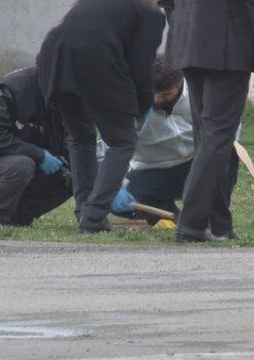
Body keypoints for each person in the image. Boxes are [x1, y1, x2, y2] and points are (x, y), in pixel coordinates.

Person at [36, 0, 166, 233]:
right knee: (123, 141)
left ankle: (86, 211)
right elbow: (141, 68)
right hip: (95, 60)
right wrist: (143, 105)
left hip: (53, 58)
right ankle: (94, 217)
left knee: (81, 137)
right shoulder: (150, 13)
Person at [163, 0, 254, 243]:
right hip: (228, 48)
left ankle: (218, 224)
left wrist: (184, 35)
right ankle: (192, 224)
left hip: (187, 46)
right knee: (217, 138)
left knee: (209, 139)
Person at [99, 55, 241, 225]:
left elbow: (225, 130)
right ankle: (170, 215)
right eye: (154, 94)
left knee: (227, 153)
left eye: (166, 94)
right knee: (111, 197)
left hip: (198, 163)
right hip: (153, 171)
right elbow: (109, 147)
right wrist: (114, 184)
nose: (157, 100)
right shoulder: (131, 104)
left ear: (180, 83)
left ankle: (211, 217)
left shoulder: (199, 96)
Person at [0, 67, 72, 227]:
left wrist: (103, 192)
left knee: (71, 176)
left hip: (19, 162)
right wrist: (38, 155)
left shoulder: (64, 97)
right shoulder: (15, 87)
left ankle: (17, 217)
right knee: (21, 165)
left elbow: (76, 149)